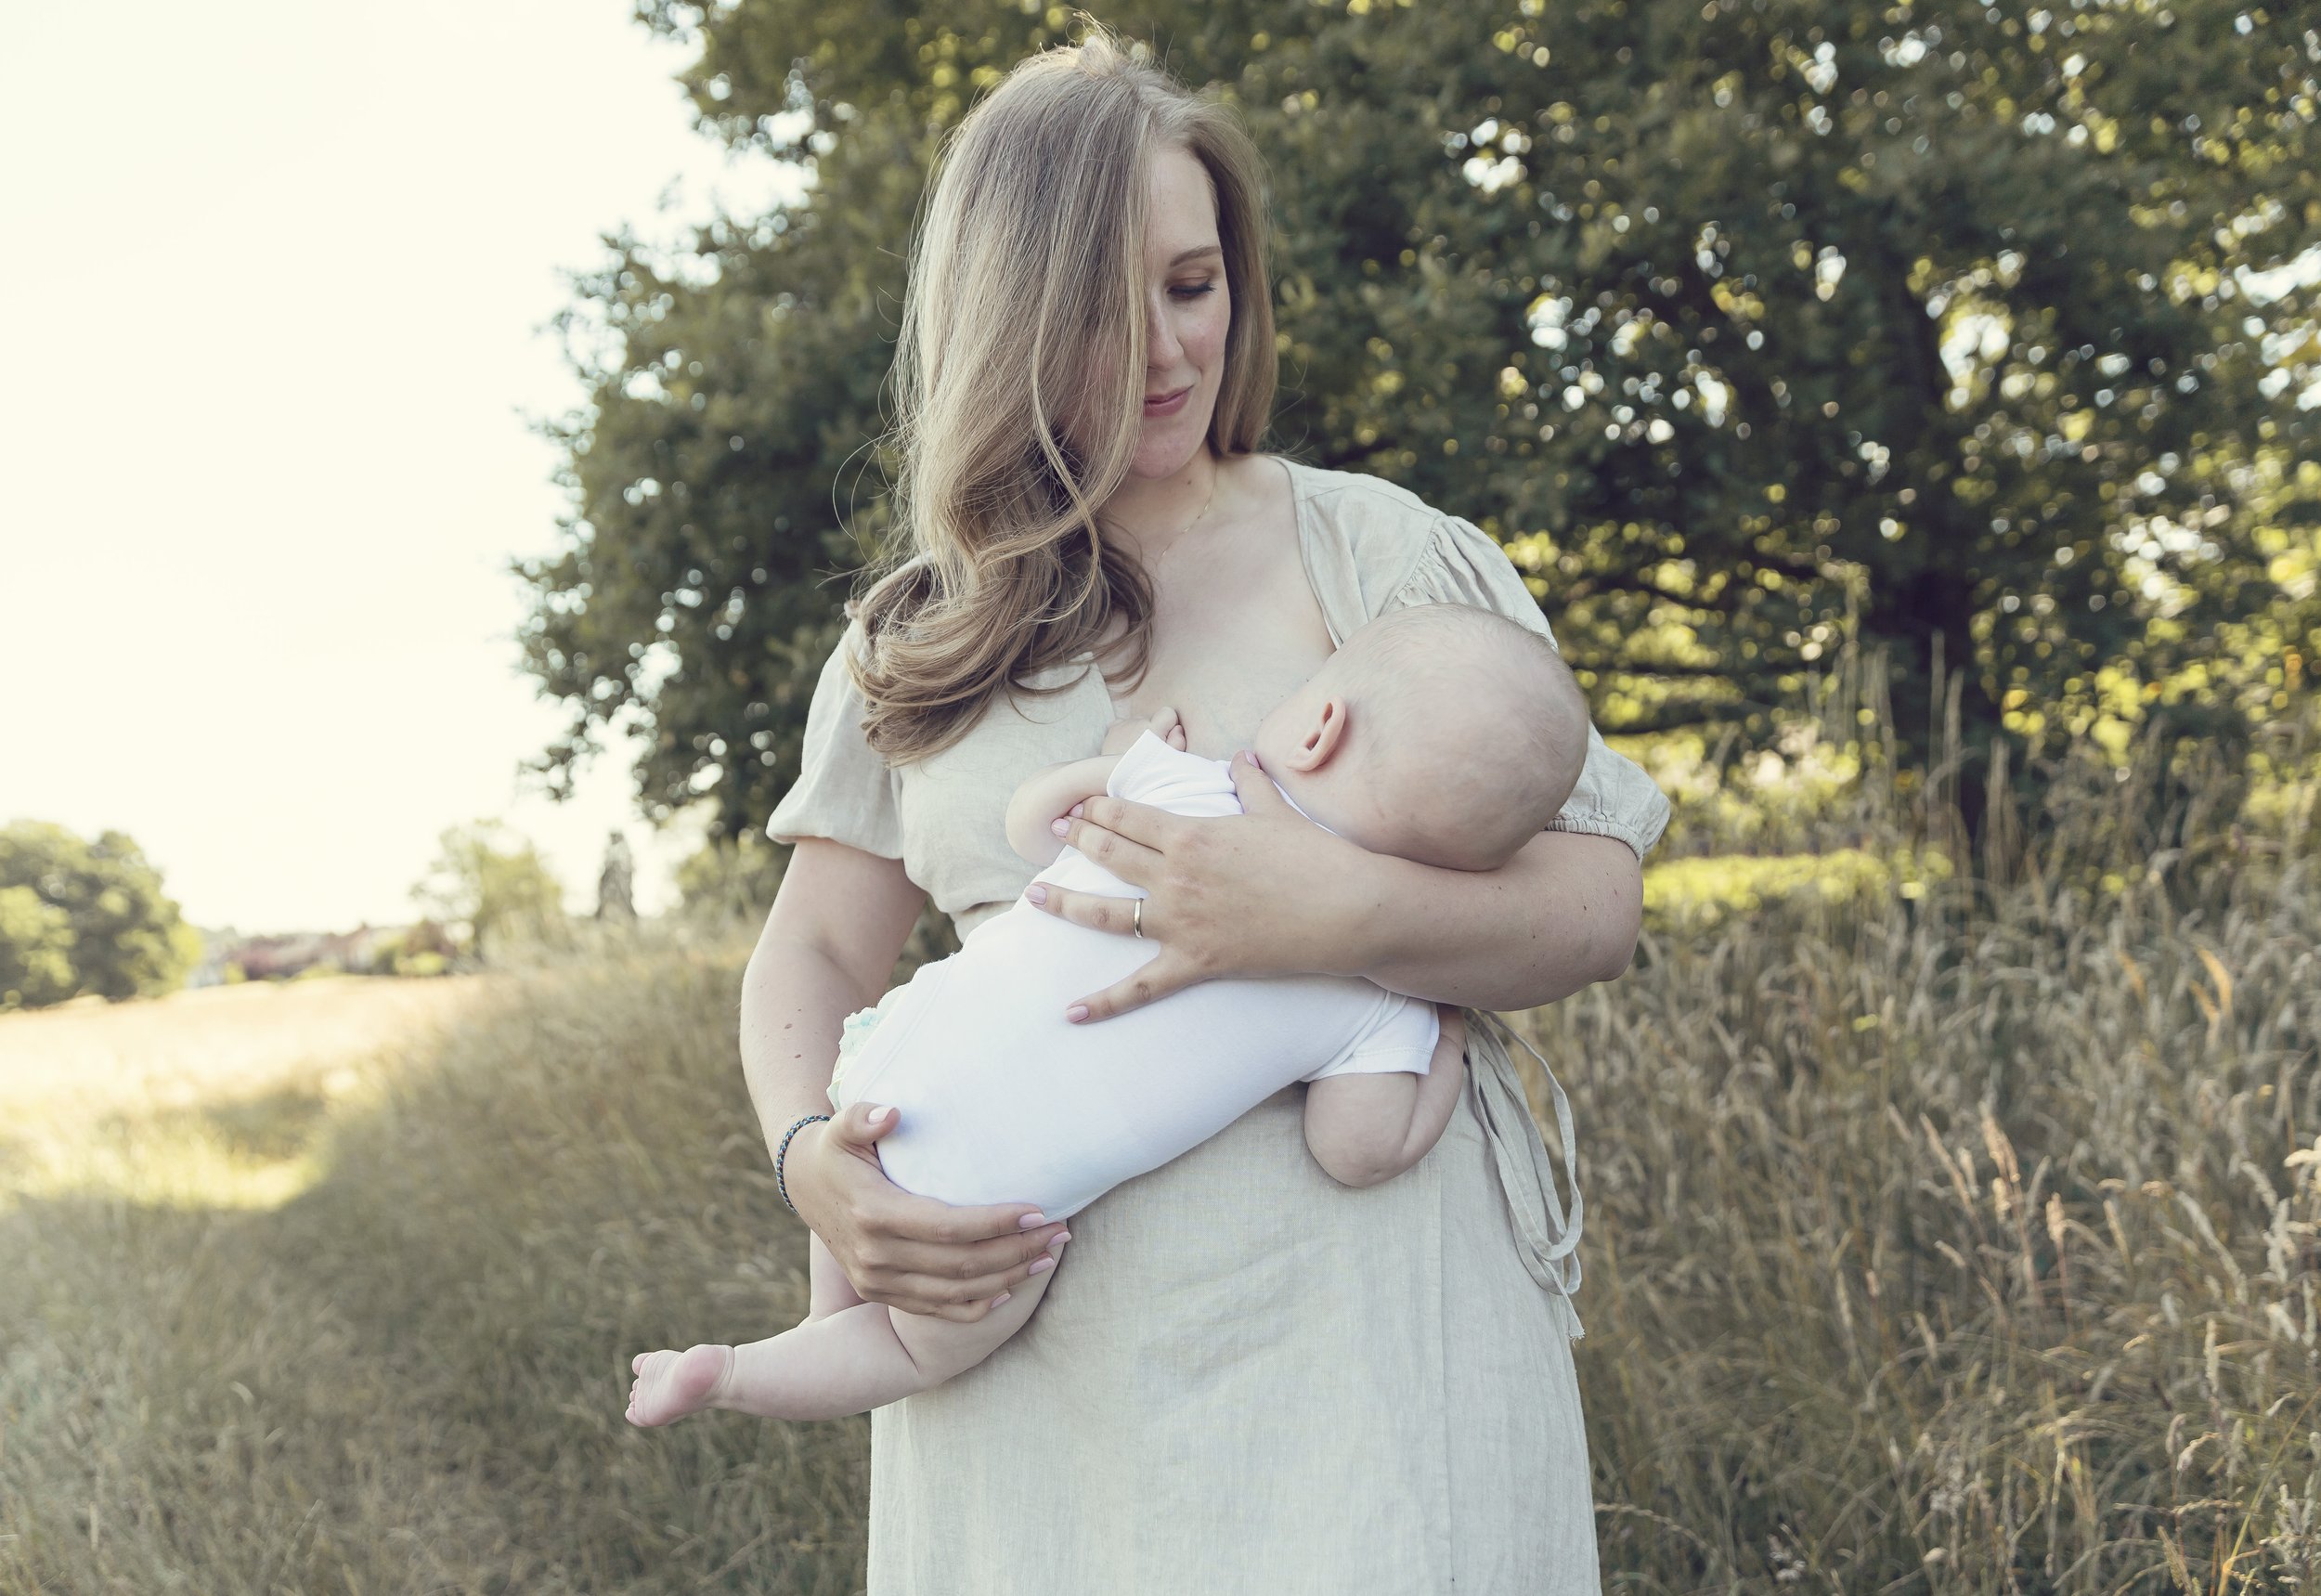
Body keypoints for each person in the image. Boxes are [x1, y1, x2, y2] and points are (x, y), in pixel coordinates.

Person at [741, 27, 1670, 1592]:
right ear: (1010, 320)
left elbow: (1598, 901)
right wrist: (807, 1157)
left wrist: (1344, 913)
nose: (1171, 350)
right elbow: (815, 955)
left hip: (1371, 1372)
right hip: (1032, 1374)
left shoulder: (1379, 552)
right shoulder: (923, 628)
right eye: (1106, 308)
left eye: (1192, 282)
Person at [627, 603, 1591, 1425]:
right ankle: (736, 1374)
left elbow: (1026, 826)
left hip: (879, 1070)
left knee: (865, 1222)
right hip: (987, 1208)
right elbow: (1358, 1150)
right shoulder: (1381, 998)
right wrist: (1440, 1051)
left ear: (1316, 726)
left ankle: (808, 1317)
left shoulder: (1179, 787)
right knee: (911, 1350)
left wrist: (1115, 764)